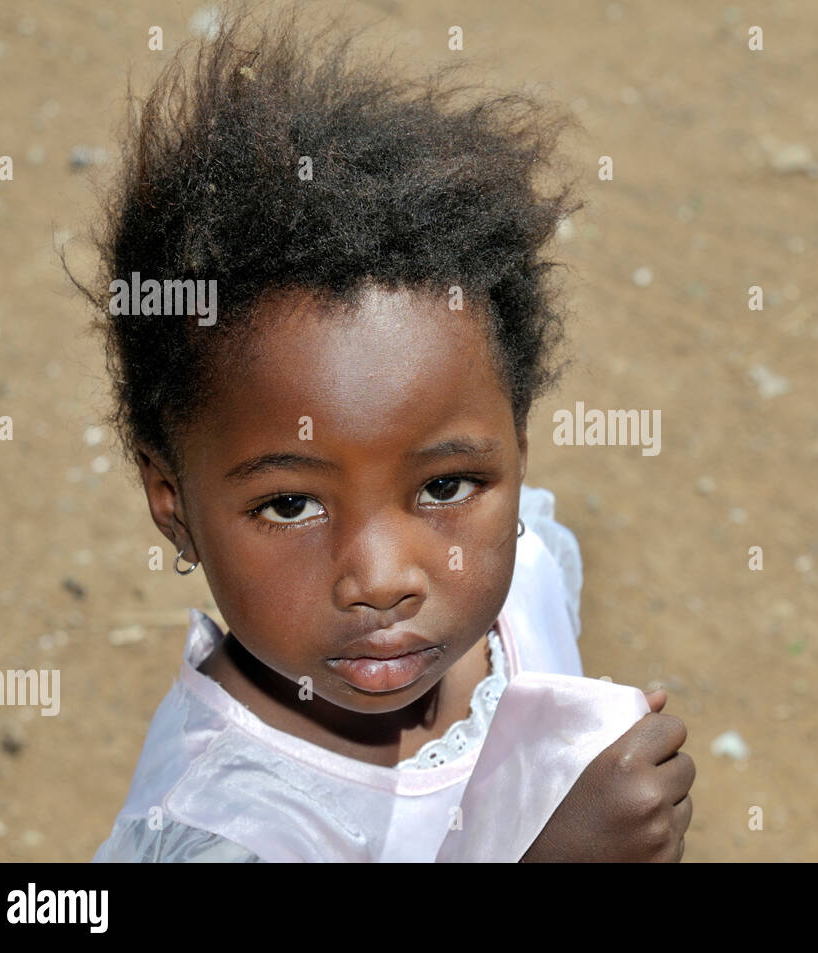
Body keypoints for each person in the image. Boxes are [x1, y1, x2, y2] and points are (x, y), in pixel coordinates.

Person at [76, 1, 693, 862]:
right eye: (291, 502)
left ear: (516, 446)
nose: (383, 578)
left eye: (444, 487)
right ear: (172, 501)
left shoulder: (522, 581)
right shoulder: (228, 830)